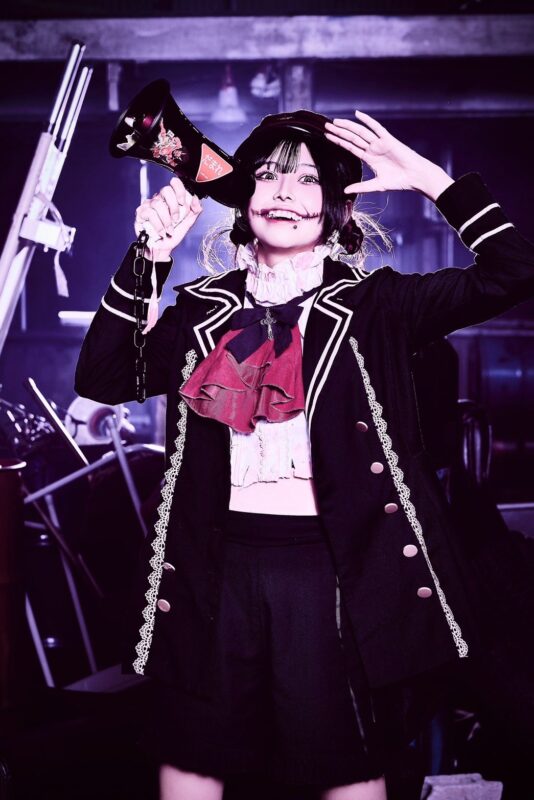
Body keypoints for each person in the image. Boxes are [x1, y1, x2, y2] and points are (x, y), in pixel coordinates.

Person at [74, 108, 534, 800]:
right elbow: (105, 376)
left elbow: (515, 271)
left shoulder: (379, 307)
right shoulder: (200, 309)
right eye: (267, 175)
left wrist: (429, 180)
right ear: (242, 197)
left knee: (343, 772)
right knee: (192, 765)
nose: (285, 193)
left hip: (335, 576)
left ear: (335, 206)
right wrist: (150, 257)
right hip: (210, 574)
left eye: (309, 180)